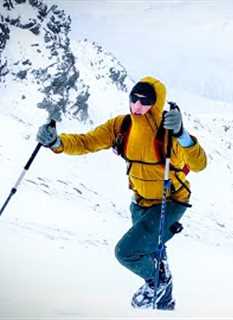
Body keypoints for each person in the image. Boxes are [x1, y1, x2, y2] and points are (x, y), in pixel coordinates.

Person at [36, 76, 207, 310]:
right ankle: (164, 306)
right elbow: (87, 142)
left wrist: (182, 135)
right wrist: (57, 142)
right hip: (140, 203)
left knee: (127, 252)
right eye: (133, 99)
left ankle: (159, 282)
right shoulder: (121, 126)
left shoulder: (168, 133)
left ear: (156, 103)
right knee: (154, 250)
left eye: (145, 101)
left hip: (171, 202)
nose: (137, 107)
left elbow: (199, 164)